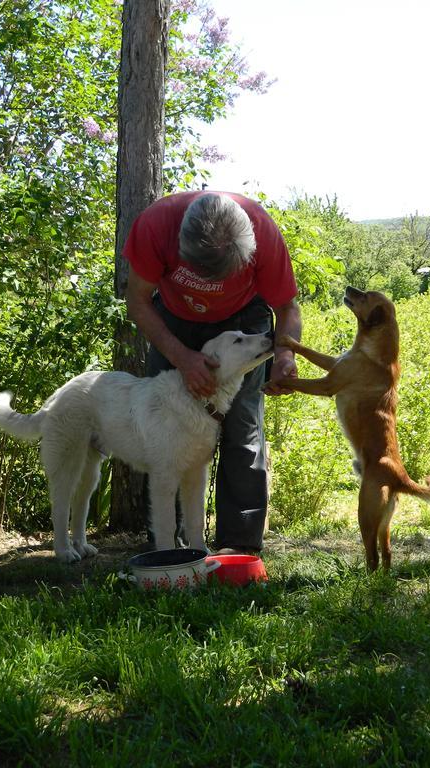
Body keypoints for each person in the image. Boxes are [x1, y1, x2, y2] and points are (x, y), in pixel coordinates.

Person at [122, 191, 302, 555]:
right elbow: (138, 302)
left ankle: (240, 547)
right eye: (203, 272)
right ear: (181, 245)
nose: (212, 282)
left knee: (242, 429)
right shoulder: (156, 226)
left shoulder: (263, 233)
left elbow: (286, 307)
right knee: (163, 428)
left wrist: (285, 354)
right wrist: (182, 357)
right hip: (173, 323)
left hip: (243, 324)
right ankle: (165, 547)